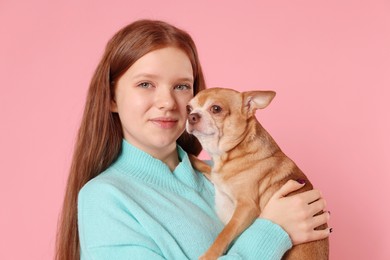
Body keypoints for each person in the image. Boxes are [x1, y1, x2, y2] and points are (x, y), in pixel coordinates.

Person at [55, 19, 331, 260]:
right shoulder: (105, 198)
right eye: (145, 84)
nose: (167, 102)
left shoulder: (225, 176)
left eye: (182, 86)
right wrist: (273, 230)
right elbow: (268, 235)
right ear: (112, 97)